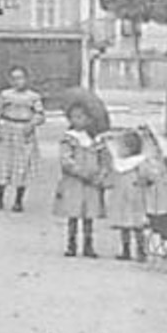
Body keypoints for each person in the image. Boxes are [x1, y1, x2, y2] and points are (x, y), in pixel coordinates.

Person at [0, 66, 45, 212]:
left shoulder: (33, 97)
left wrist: (32, 124)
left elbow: (40, 115)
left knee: (21, 165)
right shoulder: (5, 95)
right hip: (7, 130)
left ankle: (18, 201)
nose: (18, 82)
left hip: (24, 131)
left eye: (20, 78)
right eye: (14, 78)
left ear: (26, 79)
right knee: (3, 164)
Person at [53, 103, 107, 258]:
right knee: (73, 212)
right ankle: (71, 243)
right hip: (74, 182)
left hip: (92, 182)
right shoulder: (68, 138)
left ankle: (89, 244)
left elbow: (104, 160)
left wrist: (101, 175)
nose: (78, 120)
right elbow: (65, 160)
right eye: (74, 117)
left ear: (89, 119)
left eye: (82, 117)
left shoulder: (95, 140)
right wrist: (81, 172)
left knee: (89, 214)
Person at [104, 129, 160, 262]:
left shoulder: (140, 162)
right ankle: (127, 250)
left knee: (136, 224)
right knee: (126, 224)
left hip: (135, 196)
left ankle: (140, 250)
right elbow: (111, 176)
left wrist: (146, 180)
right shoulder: (119, 163)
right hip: (124, 196)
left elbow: (150, 174)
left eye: (121, 147)